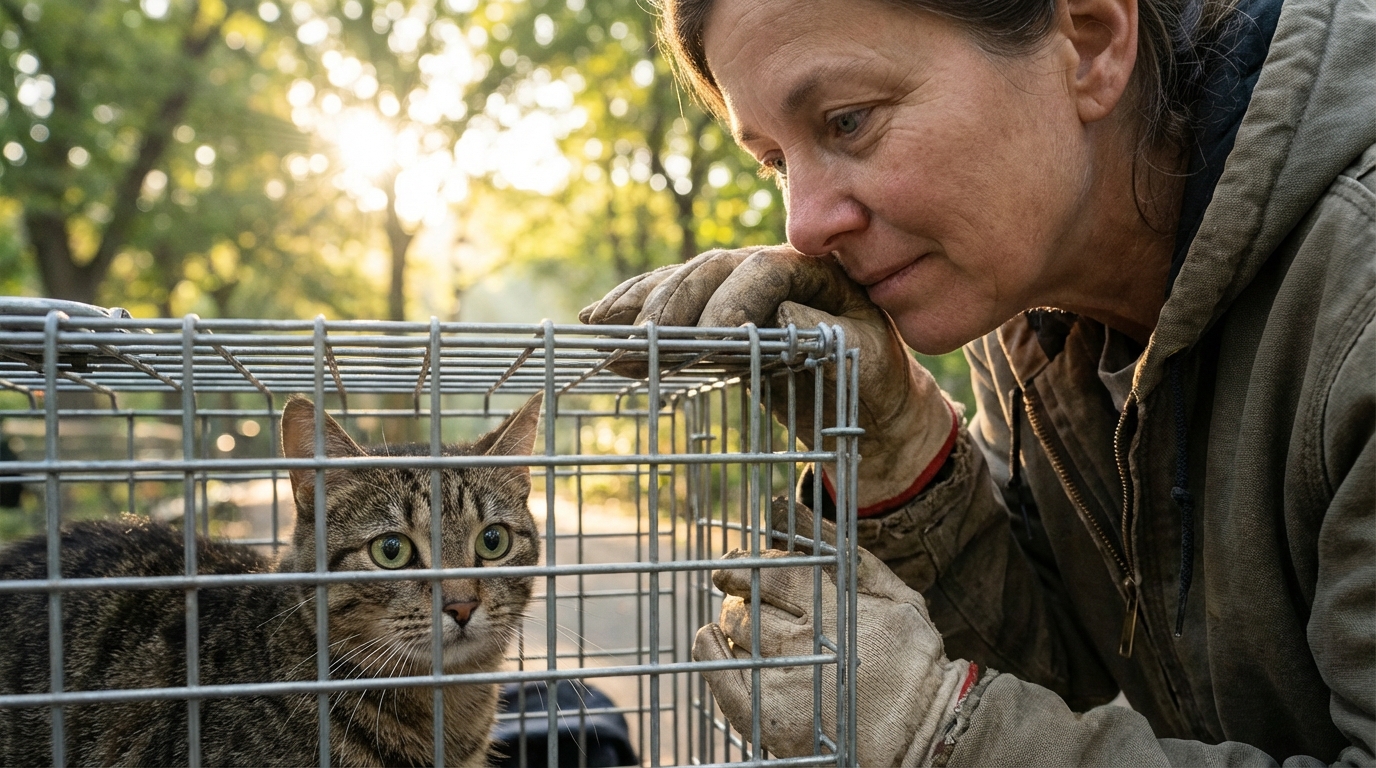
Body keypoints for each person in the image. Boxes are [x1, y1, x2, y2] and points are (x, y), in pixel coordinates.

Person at [579, 0, 1375, 762]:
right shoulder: (1023, 304)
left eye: (848, 119)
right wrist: (897, 442)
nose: (804, 225)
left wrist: (940, 735)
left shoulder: (1358, 301)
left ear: (1091, 42)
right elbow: (1055, 673)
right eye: (777, 162)